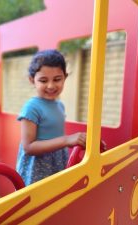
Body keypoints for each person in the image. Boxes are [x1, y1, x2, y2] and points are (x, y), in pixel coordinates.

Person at [16, 49, 86, 186]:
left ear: (65, 77)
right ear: (32, 80)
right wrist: (67, 140)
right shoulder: (31, 108)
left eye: (57, 79)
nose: (51, 85)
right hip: (37, 167)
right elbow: (28, 147)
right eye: (43, 80)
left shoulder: (59, 105)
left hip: (57, 162)